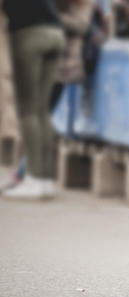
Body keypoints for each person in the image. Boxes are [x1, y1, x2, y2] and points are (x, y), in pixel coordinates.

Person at [2, 0, 65, 199]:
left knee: (27, 110)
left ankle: (33, 178)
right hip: (55, 32)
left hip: (28, 32)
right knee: (42, 110)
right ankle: (45, 181)